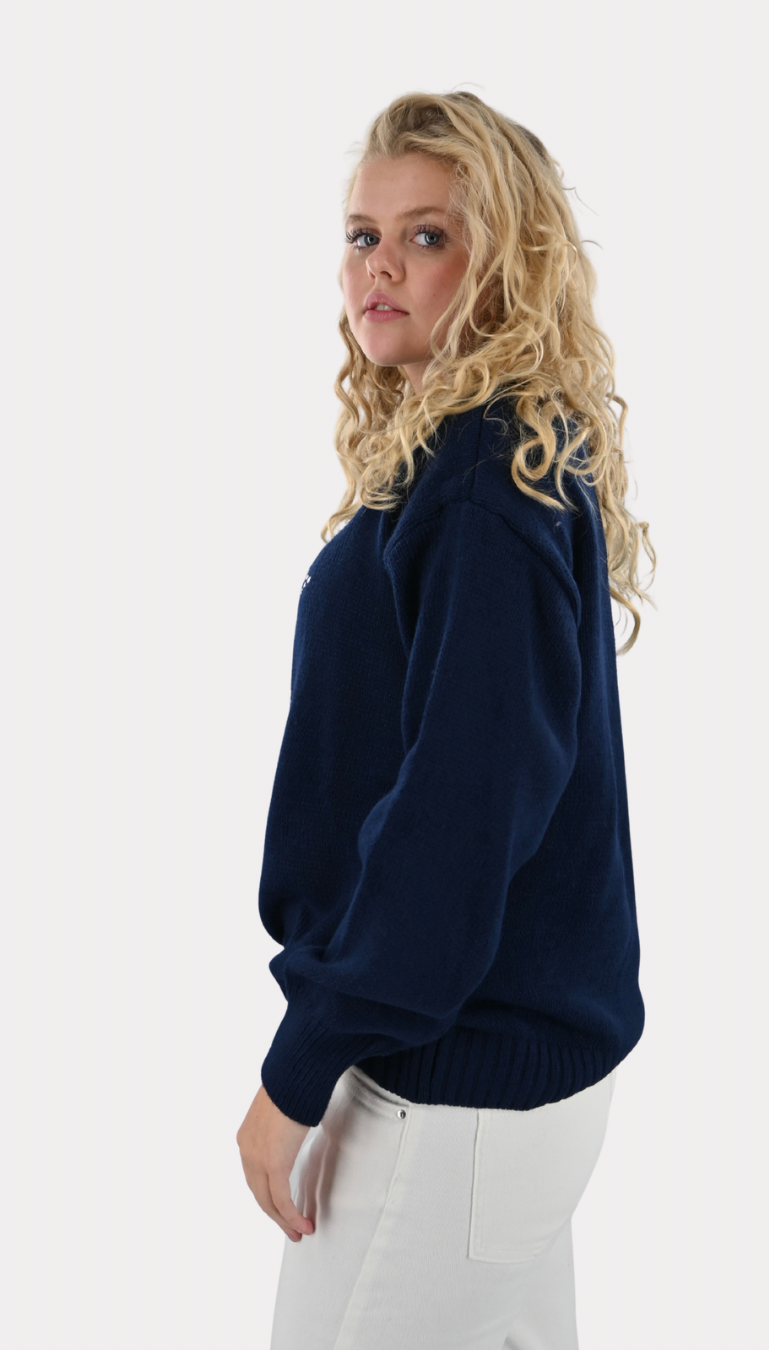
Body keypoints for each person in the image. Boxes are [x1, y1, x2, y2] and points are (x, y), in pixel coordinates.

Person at [236, 89, 656, 1350]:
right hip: (498, 1094)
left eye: (428, 235)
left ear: (509, 263)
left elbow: (457, 819)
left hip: (448, 1097)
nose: (381, 265)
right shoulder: (493, 456)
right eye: (363, 235)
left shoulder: (483, 486)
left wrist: (298, 1067)